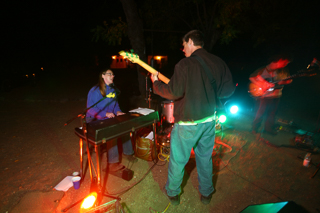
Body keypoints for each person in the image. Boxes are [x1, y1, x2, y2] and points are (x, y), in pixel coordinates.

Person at [150, 30, 235, 205]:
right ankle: (206, 193)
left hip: (188, 122)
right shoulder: (218, 62)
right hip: (209, 121)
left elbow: (173, 92)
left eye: (183, 46)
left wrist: (156, 84)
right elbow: (228, 90)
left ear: (190, 41)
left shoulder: (185, 64)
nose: (183, 50)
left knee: (178, 159)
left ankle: (173, 193)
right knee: (204, 158)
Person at [86, 68, 137, 172]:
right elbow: (90, 109)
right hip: (94, 119)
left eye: (113, 74)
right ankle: (113, 163)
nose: (113, 76)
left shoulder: (113, 90)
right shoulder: (95, 91)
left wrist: (118, 111)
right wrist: (105, 114)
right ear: (103, 76)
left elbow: (115, 105)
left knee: (125, 126)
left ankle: (128, 152)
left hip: (108, 117)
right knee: (111, 132)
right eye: (110, 74)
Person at [249, 54, 293, 135]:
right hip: (264, 96)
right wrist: (262, 84)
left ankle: (268, 129)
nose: (286, 64)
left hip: (277, 95)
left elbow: (289, 80)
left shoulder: (284, 70)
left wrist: (284, 82)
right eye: (285, 62)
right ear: (280, 60)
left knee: (272, 113)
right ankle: (254, 128)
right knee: (260, 113)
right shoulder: (263, 69)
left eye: (287, 63)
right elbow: (252, 77)